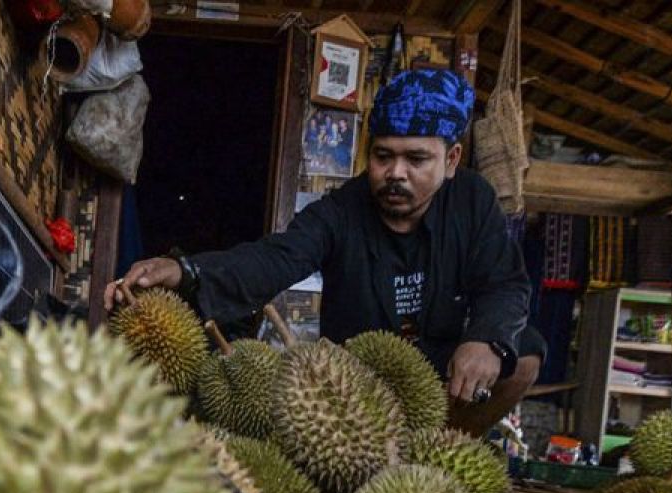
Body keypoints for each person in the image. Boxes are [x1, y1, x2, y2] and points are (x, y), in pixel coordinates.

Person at [104, 69, 543, 438]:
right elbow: (276, 258)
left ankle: (442, 453)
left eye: (416, 159)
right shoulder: (341, 210)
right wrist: (186, 271)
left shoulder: (472, 200)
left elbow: (504, 283)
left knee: (522, 353)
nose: (395, 173)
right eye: (383, 156)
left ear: (451, 160)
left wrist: (487, 339)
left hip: (442, 366)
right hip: (355, 374)